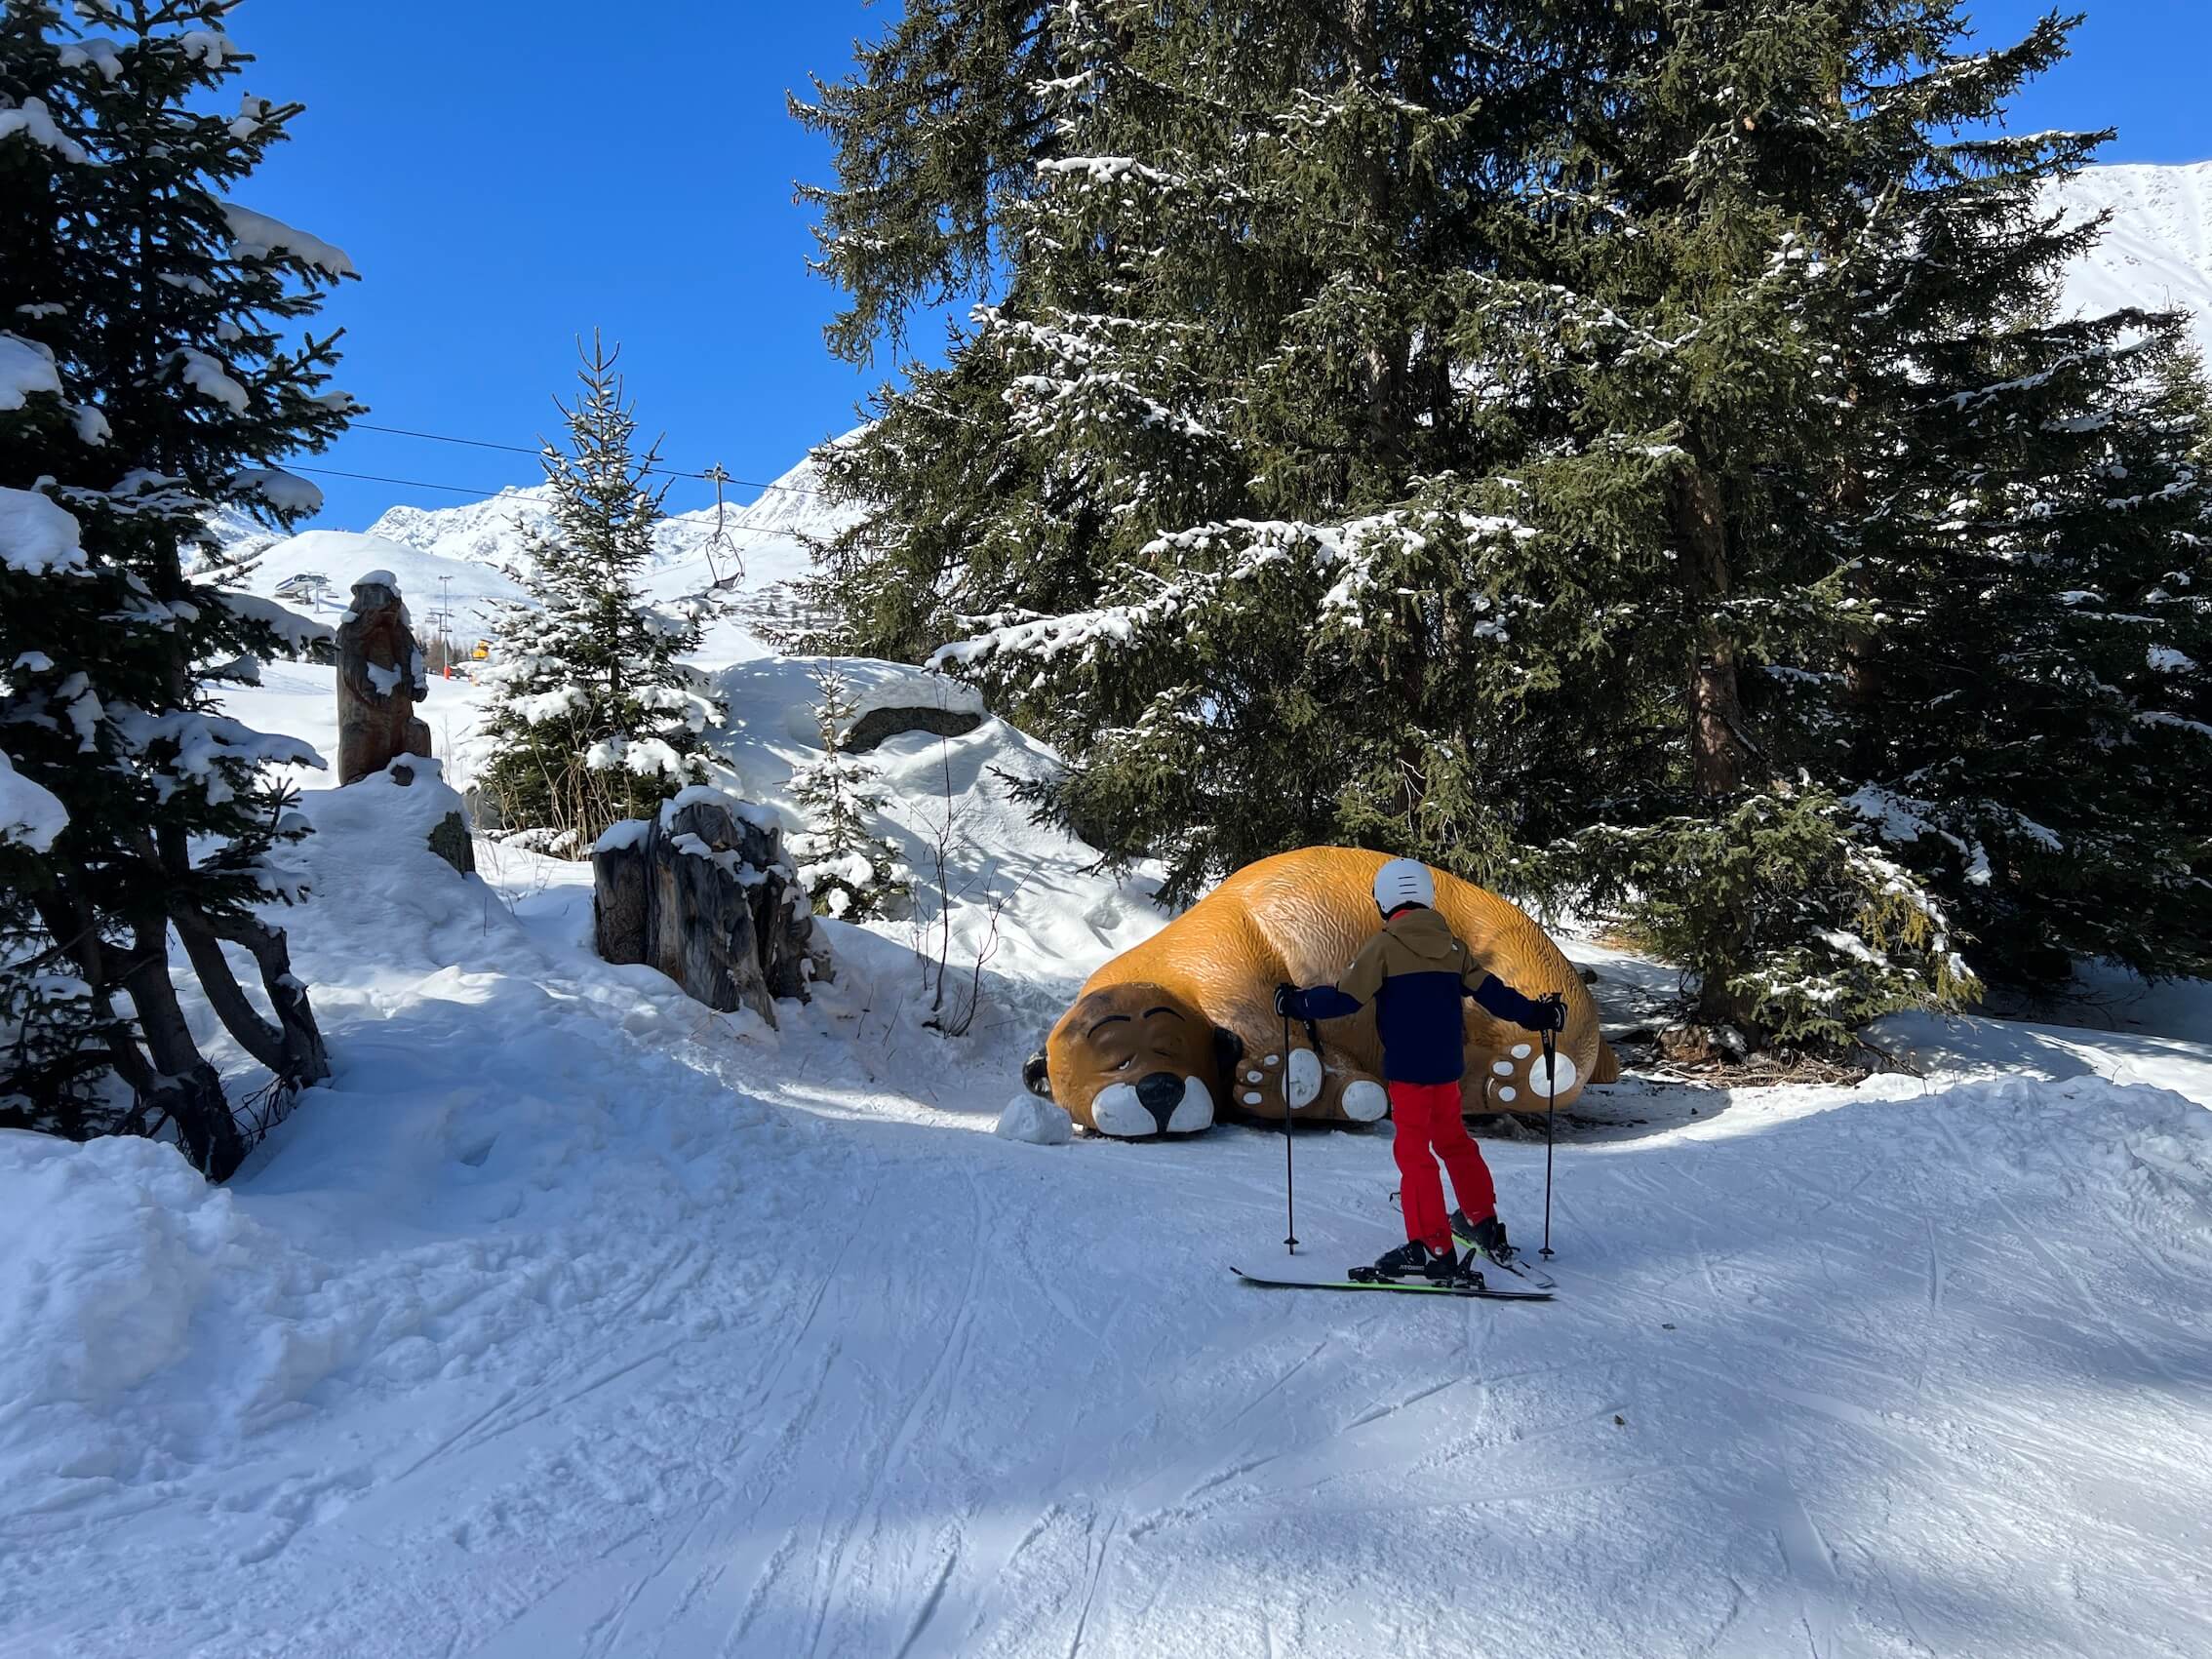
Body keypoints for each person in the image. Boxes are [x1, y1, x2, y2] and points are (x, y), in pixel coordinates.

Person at [1275, 857, 1565, 1282]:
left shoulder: (1385, 945)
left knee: (1414, 1155)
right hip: (1446, 1067)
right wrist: (1537, 1015)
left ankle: (1431, 1246)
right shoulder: (1451, 948)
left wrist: (1296, 1003)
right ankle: (1480, 1220)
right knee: (1454, 1142)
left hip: (1409, 1070)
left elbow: (1346, 998)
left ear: (1385, 901)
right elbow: (1495, 994)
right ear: (1426, 898)